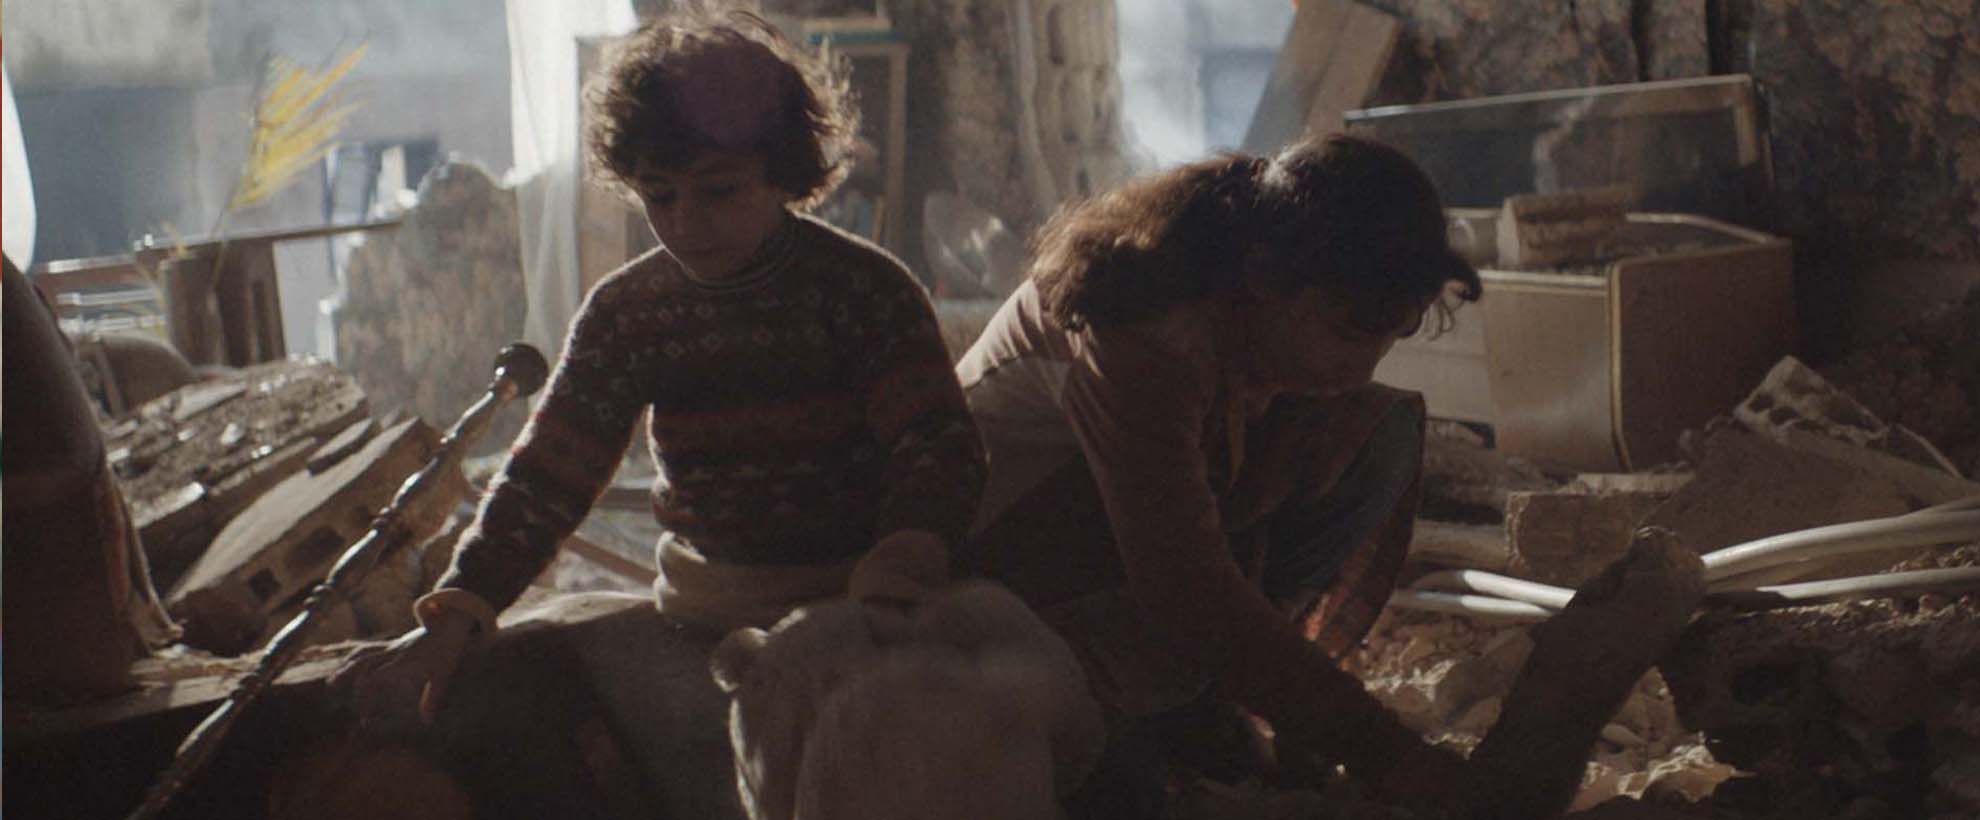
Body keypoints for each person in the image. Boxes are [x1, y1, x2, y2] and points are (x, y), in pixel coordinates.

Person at [338, 12, 984, 819]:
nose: (686, 222)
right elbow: (547, 474)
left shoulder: (863, 291)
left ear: (784, 170)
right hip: (701, 619)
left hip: (858, 608)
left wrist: (906, 552)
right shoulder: (628, 311)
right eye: (660, 197)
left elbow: (938, 445)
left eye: (718, 191)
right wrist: (462, 609)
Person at [954, 133, 1699, 817]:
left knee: (1371, 431)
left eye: (1390, 335)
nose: (1363, 364)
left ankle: (1204, 699)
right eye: (1350, 330)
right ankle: (1151, 704)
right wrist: (1392, 758)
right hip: (1000, 579)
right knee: (1120, 791)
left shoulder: (1246, 263)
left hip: (1119, 543)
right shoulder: (1146, 330)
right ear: (1265, 281)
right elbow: (1189, 591)